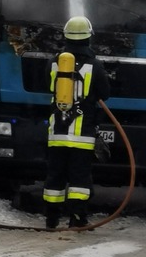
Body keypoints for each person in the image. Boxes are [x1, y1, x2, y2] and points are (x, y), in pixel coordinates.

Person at [43, 15, 111, 230]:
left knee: (55, 176)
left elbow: (48, 87)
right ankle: (78, 218)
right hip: (82, 136)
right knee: (80, 179)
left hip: (57, 133)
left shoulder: (54, 63)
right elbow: (105, 94)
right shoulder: (95, 66)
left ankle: (51, 219)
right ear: (88, 38)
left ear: (66, 37)